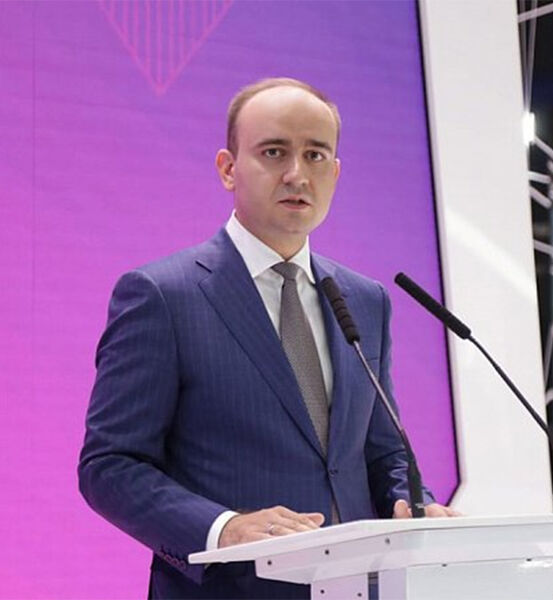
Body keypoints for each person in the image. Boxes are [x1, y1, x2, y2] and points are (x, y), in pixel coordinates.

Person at [78, 77, 457, 600]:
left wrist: (411, 502)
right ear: (228, 168)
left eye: (315, 155)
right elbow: (110, 466)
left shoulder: (364, 300)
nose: (297, 174)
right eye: (274, 152)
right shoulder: (163, 296)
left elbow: (383, 453)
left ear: (335, 173)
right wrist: (224, 528)